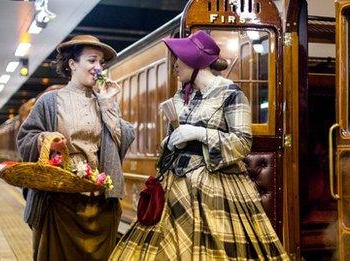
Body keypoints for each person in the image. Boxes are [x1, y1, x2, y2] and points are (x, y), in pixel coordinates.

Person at [110, 30, 289, 260]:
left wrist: (199, 133)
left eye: (180, 59)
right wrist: (171, 142)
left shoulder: (231, 94)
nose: (175, 65)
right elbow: (171, 144)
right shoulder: (182, 96)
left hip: (216, 185)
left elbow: (243, 143)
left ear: (197, 61)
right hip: (175, 184)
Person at [16, 35, 135, 260]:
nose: (98, 68)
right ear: (72, 64)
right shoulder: (50, 101)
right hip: (60, 204)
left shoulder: (105, 102)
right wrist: (45, 139)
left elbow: (122, 140)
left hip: (100, 203)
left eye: (101, 63)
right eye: (92, 61)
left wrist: (108, 102)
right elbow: (25, 138)